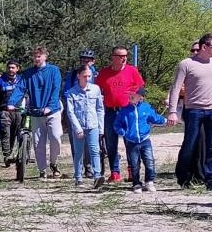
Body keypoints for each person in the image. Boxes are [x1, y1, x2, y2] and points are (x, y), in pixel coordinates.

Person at [166, 33, 212, 190]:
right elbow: (176, 88)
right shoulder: (186, 64)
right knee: (190, 144)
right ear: (204, 47)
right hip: (193, 111)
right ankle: (184, 178)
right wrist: (172, 111)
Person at [94, 45, 145, 184]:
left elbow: (141, 88)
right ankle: (115, 172)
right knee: (111, 143)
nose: (124, 59)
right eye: (120, 56)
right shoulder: (104, 73)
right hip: (110, 111)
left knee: (130, 141)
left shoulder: (132, 71)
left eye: (125, 56)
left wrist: (138, 101)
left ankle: (132, 170)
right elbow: (96, 90)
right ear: (113, 58)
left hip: (127, 111)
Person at [20, 47, 64, 178]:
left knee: (56, 138)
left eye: (39, 56)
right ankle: (42, 170)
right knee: (38, 143)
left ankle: (53, 163)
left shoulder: (54, 70)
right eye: (35, 57)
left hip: (52, 111)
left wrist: (50, 106)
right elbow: (20, 88)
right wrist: (11, 103)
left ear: (45, 57)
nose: (36, 59)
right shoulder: (28, 74)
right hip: (36, 112)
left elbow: (56, 89)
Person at [114, 88, 166, 192]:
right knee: (134, 164)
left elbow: (155, 118)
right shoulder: (124, 110)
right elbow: (117, 124)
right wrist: (122, 132)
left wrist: (165, 120)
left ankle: (149, 181)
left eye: (133, 95)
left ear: (140, 97)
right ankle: (136, 183)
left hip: (145, 140)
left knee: (149, 161)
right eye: (130, 95)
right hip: (131, 142)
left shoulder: (146, 108)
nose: (130, 96)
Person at [64, 66, 104, 187]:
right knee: (79, 153)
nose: (87, 78)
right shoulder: (72, 92)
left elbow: (100, 109)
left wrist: (100, 127)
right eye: (85, 76)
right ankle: (78, 177)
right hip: (79, 126)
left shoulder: (96, 89)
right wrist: (77, 128)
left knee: (95, 151)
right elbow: (70, 112)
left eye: (89, 76)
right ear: (79, 76)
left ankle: (97, 176)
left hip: (93, 125)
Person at [0, 62, 23, 163]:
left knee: (15, 134)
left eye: (13, 68)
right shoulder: (0, 81)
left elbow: (25, 93)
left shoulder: (21, 80)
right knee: (6, 133)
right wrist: (0, 108)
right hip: (5, 111)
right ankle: (7, 156)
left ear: (17, 69)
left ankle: (18, 155)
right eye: (9, 67)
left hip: (18, 111)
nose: (11, 69)